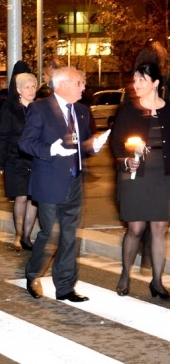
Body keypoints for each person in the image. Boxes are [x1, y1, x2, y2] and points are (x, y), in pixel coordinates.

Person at [19, 66, 109, 302]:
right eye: (79, 83)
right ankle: (33, 275)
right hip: (49, 183)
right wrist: (50, 150)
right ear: (63, 84)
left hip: (75, 182)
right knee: (50, 234)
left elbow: (81, 144)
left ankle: (66, 286)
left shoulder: (81, 111)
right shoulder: (40, 109)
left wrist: (92, 146)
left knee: (70, 236)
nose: (83, 87)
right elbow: (25, 143)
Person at [110, 62, 170, 300]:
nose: (136, 85)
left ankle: (157, 281)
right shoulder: (128, 111)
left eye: (141, 80)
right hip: (135, 175)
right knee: (135, 228)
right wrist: (125, 160)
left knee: (159, 228)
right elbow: (116, 143)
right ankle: (125, 274)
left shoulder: (168, 109)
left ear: (155, 83)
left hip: (163, 177)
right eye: (134, 80)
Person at [0, 69, 38, 251]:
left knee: (33, 198)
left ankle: (27, 237)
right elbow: (3, 136)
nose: (31, 90)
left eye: (33, 87)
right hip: (15, 158)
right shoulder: (10, 109)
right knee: (20, 196)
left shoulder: (39, 109)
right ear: (19, 90)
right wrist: (0, 160)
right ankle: (18, 236)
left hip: (35, 159)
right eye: (27, 87)